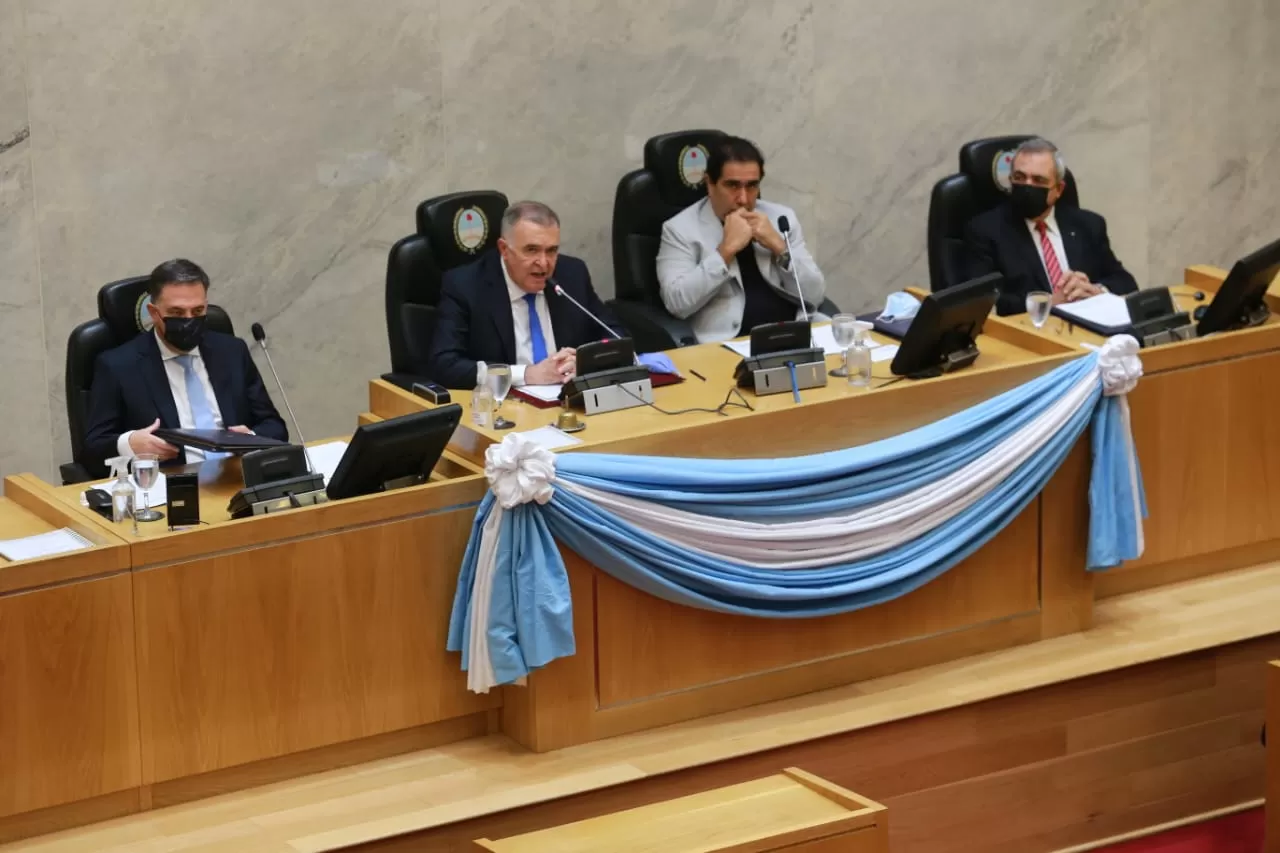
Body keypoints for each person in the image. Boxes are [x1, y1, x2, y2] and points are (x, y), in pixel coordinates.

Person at [83, 259, 287, 467]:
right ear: (154, 313)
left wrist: (250, 438)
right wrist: (130, 444)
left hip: (236, 476)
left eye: (197, 312)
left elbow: (275, 427)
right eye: (177, 313)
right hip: (172, 485)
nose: (189, 320)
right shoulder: (117, 366)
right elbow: (93, 448)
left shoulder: (232, 351)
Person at [429, 200, 626, 389]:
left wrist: (584, 363)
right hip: (504, 407)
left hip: (568, 402)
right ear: (504, 249)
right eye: (532, 250)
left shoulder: (571, 275)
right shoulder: (466, 286)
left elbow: (615, 336)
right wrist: (527, 374)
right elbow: (445, 365)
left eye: (551, 251)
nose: (544, 263)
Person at [656, 135, 826, 344]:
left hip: (795, 333)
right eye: (732, 186)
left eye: (752, 186)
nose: (744, 199)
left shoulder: (781, 219)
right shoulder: (679, 230)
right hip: (731, 344)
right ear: (709, 184)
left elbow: (815, 294)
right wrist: (725, 251)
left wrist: (780, 248)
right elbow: (677, 303)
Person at [964, 137, 1138, 316]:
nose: (1027, 186)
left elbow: (1125, 282)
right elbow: (987, 304)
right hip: (1030, 335)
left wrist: (1096, 291)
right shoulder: (985, 231)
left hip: (1089, 330)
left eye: (1038, 180)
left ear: (1058, 190)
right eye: (1020, 177)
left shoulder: (1088, 225)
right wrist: (1050, 302)